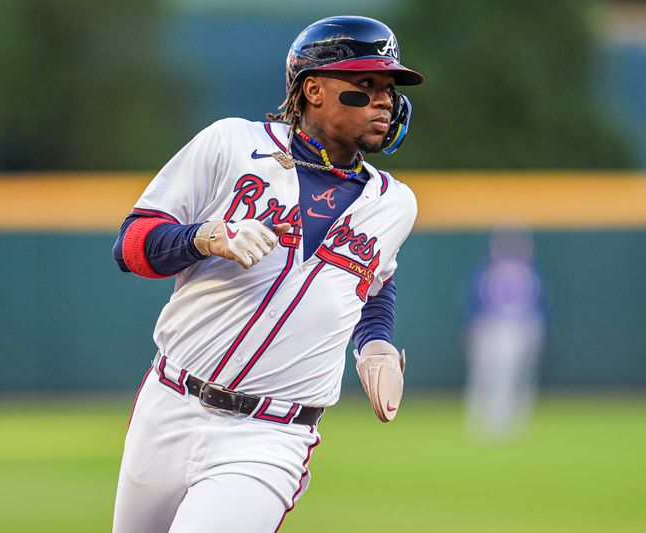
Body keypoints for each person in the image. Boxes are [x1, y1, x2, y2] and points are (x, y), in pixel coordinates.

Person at [110, 16, 422, 532]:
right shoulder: (231, 145)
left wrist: (376, 342)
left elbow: (375, 284)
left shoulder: (394, 203)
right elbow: (132, 245)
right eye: (364, 86)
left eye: (389, 88)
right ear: (314, 89)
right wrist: (202, 237)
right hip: (168, 405)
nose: (384, 100)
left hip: (271, 434)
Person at [464, 223, 545, 440]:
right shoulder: (486, 270)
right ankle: (482, 421)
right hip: (491, 326)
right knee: (485, 375)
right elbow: (474, 301)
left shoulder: (529, 270)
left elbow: (538, 303)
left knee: (513, 377)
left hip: (518, 327)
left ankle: (506, 422)